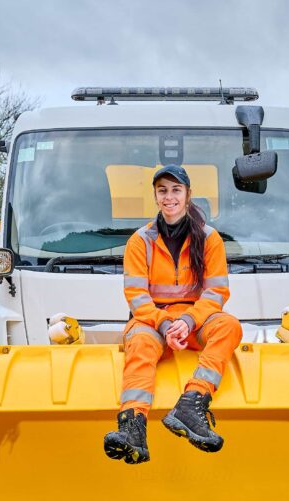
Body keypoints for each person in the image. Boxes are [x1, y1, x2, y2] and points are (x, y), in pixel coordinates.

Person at [104, 164, 243, 464]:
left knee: (230, 326)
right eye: (163, 191)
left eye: (176, 190)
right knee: (140, 344)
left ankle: (192, 403)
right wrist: (166, 324)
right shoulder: (140, 241)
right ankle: (132, 428)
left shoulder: (210, 239)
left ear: (188, 195)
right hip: (153, 321)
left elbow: (216, 292)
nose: (169, 197)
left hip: (196, 319)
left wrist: (188, 321)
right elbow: (137, 297)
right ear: (155, 196)